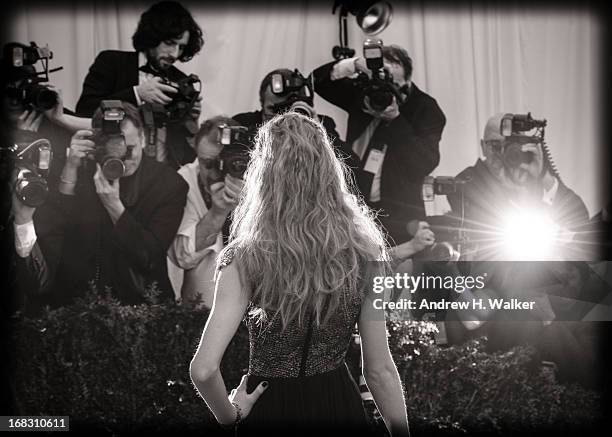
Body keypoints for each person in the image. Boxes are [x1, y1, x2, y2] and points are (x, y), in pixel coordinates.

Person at [189, 112, 410, 436]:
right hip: (338, 406)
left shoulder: (244, 257)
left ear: (264, 175)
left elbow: (204, 369)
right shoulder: (366, 255)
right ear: (328, 171)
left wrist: (230, 415)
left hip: (269, 409)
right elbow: (379, 371)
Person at [13, 101, 188, 310]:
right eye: (116, 149)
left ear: (142, 138)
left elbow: (149, 257)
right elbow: (59, 232)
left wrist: (114, 206)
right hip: (81, 304)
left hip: (140, 307)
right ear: (97, 143)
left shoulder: (169, 184)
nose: (126, 158)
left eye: (130, 148)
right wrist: (70, 169)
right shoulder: (84, 170)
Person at [312, 44, 446, 246]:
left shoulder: (426, 108)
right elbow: (318, 81)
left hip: (399, 217)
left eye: (394, 64)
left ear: (407, 76)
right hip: (354, 209)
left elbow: (425, 162)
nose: (387, 70)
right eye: (383, 65)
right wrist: (355, 64)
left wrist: (396, 119)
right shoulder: (365, 93)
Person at [75, 1, 204, 169]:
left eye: (181, 47)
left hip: (162, 177)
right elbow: (85, 110)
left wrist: (191, 121)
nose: (174, 54)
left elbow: (186, 153)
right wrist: (136, 94)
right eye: (170, 43)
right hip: (112, 166)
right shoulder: (112, 62)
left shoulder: (182, 82)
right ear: (152, 37)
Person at [167, 116, 244, 308]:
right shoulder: (184, 181)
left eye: (221, 163)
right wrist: (217, 213)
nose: (211, 173)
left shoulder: (258, 179)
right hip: (199, 310)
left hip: (251, 309)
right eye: (206, 163)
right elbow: (182, 256)